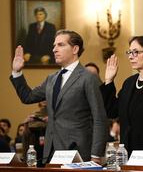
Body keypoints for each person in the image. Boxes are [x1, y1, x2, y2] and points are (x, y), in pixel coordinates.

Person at [10, 30, 108, 163]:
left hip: (78, 152)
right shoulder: (52, 79)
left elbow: (99, 119)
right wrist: (17, 72)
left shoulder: (88, 77)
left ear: (75, 49)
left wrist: (96, 155)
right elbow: (28, 97)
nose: (54, 49)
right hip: (50, 151)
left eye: (60, 45)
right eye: (54, 46)